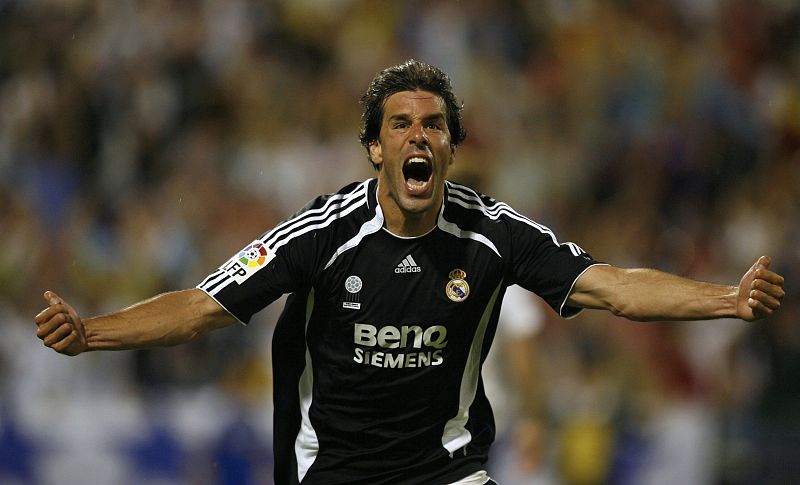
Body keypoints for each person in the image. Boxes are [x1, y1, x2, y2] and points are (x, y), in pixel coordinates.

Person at [34, 60, 785, 485]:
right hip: (331, 473)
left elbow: (614, 286)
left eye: (433, 125)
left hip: (446, 469)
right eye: (400, 123)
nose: (418, 136)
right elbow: (204, 306)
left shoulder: (493, 232)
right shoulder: (323, 232)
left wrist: (729, 297)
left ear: (451, 148)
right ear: (374, 149)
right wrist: (90, 334)